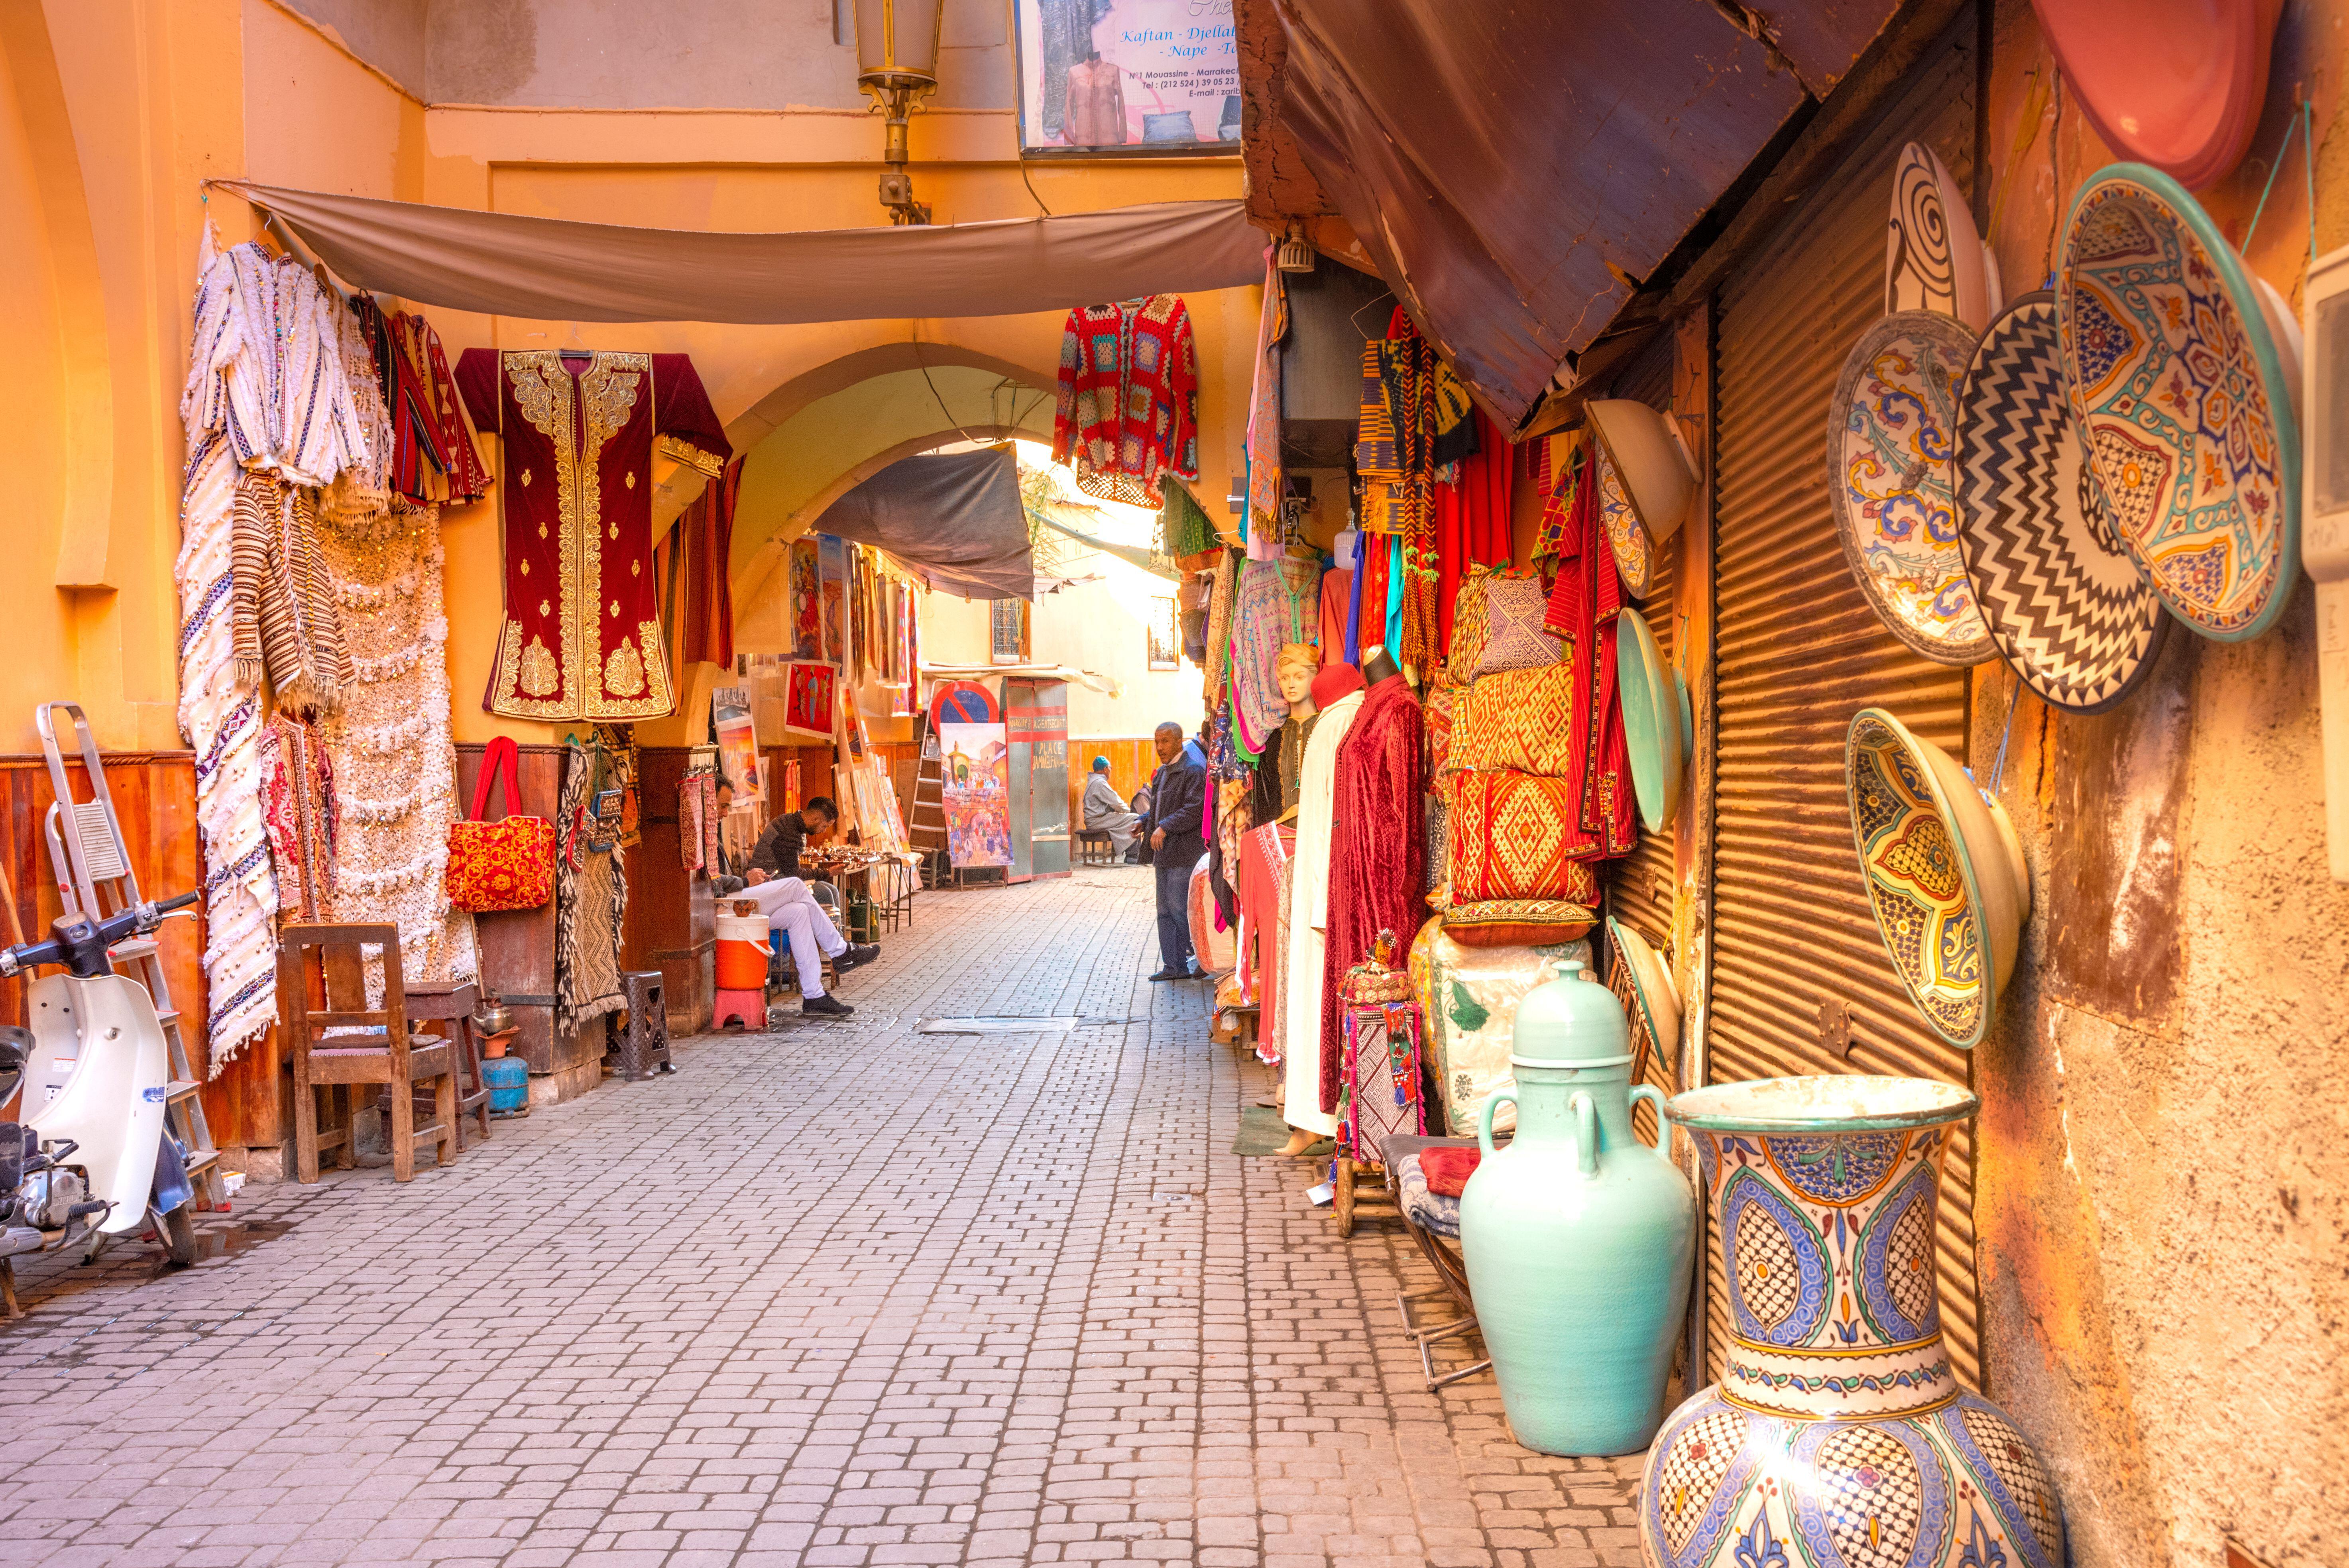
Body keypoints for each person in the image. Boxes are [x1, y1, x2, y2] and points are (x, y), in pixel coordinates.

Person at [737, 874, 879, 1018]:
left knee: (799, 911)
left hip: (732, 896)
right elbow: (715, 883)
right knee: (796, 885)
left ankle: (814, 995)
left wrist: (745, 881)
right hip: (724, 903)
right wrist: (745, 880)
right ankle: (841, 951)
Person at [1145, 720, 1205, 982]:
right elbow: (1160, 810)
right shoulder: (1162, 773)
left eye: (1165, 741)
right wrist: (1142, 822)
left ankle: (1204, 959)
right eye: (1157, 742)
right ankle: (1174, 967)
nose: (1160, 747)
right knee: (1165, 912)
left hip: (1184, 854)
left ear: (1179, 741)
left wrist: (1165, 827)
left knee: (1181, 910)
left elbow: (1195, 809)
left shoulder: (1192, 771)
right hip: (1164, 855)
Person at [747, 796, 837, 883]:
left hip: (781, 878)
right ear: (816, 819)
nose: (824, 831)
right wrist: (828, 873)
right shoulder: (788, 831)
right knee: (826, 892)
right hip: (768, 881)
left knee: (828, 890)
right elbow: (794, 874)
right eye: (825, 826)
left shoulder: (792, 822)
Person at [1081, 755, 1142, 861]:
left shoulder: (1094, 781)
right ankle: (1132, 856)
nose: (1110, 771)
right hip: (1097, 821)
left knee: (1130, 818)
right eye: (1110, 768)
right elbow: (1116, 803)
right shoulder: (1100, 783)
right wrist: (1129, 811)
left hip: (1096, 820)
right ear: (1105, 769)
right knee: (1135, 818)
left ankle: (1131, 854)